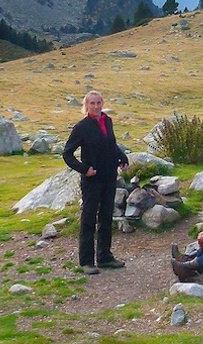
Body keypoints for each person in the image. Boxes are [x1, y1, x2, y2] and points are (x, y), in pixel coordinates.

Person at [62, 90, 129, 275]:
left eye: (99, 102)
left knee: (106, 217)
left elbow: (111, 144)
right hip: (92, 180)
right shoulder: (82, 127)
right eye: (92, 103)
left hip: (109, 177)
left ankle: (105, 257)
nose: (96, 106)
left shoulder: (107, 120)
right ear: (86, 105)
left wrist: (122, 157)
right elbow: (67, 154)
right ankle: (86, 261)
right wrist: (85, 169)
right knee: (89, 219)